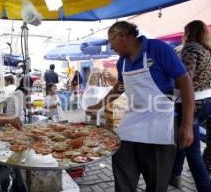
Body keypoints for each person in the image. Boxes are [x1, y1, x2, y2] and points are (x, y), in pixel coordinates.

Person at [87, 21, 194, 192]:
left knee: (156, 183)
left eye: (111, 41)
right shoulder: (121, 62)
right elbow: (119, 88)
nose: (111, 47)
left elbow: (185, 81)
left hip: (159, 127)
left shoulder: (158, 49)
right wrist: (97, 105)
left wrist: (187, 125)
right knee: (123, 177)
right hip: (131, 127)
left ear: (123, 35)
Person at [170, 20, 211, 191]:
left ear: (188, 32)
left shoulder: (190, 49)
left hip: (191, 104)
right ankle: (176, 175)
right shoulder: (208, 51)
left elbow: (183, 80)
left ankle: (204, 187)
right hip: (207, 102)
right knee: (183, 141)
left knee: (191, 151)